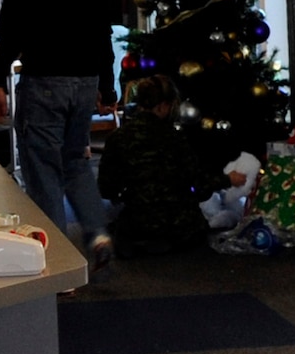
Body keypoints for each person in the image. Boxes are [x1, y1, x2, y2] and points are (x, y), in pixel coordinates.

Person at [0, 0, 115, 266]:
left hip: (45, 80)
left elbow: (11, 28)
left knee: (42, 170)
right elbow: (101, 29)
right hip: (85, 79)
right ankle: (99, 234)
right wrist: (107, 86)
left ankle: (58, 263)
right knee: (75, 161)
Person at [97, 74, 228, 256]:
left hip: (136, 227)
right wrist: (227, 180)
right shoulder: (176, 139)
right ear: (163, 106)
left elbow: (106, 189)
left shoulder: (117, 138)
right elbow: (200, 185)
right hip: (181, 229)